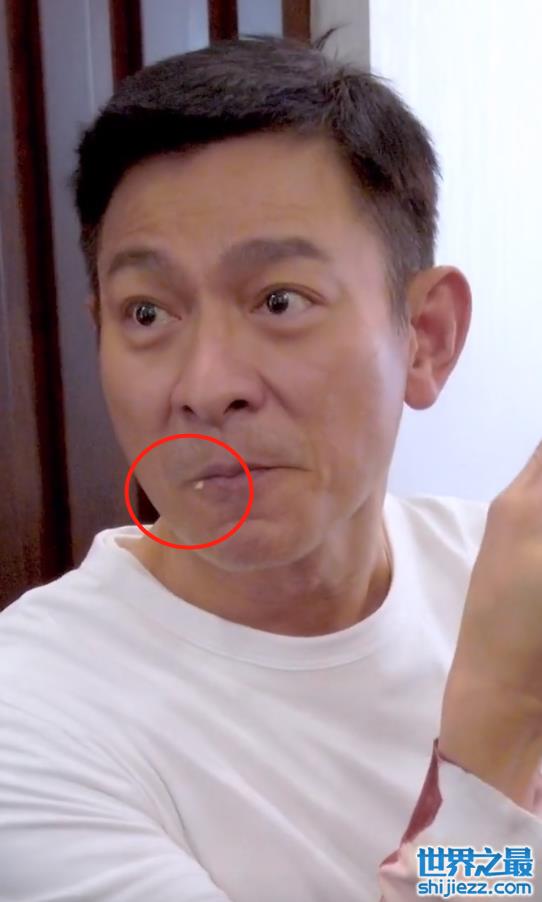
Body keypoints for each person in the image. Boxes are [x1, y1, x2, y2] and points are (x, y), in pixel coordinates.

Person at [0, 33, 541, 902]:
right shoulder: (32, 714)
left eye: (279, 301)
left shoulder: (501, 581)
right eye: (147, 313)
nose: (206, 387)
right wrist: (495, 736)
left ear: (426, 338)